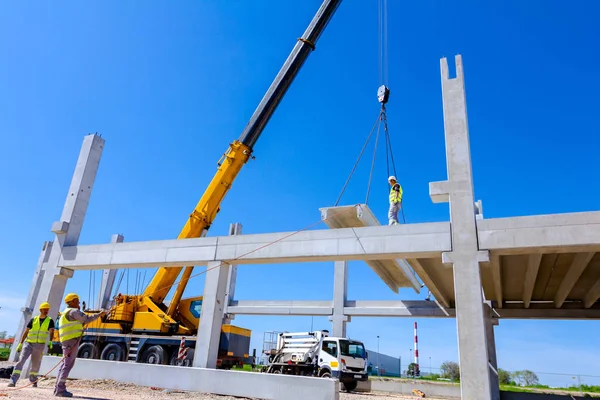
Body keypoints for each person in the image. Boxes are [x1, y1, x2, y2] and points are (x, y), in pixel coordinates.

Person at [54, 293, 106, 398]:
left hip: (68, 340)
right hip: (71, 341)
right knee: (68, 364)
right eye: (77, 300)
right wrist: (100, 314)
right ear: (72, 301)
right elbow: (86, 319)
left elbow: (78, 323)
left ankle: (57, 388)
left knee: (65, 364)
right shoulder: (73, 311)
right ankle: (60, 389)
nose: (78, 302)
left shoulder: (66, 312)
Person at [7, 302, 55, 388]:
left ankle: (33, 381)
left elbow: (51, 332)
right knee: (21, 361)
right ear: (41, 310)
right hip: (28, 343)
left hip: (39, 345)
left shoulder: (50, 321)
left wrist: (50, 342)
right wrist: (21, 343)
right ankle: (13, 380)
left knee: (35, 364)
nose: (46, 311)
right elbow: (26, 331)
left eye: (47, 309)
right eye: (45, 309)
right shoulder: (34, 319)